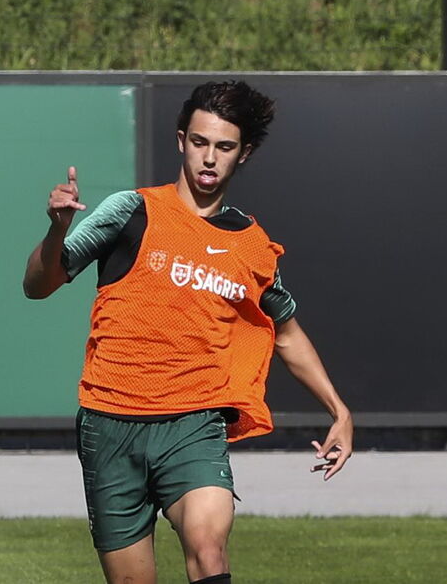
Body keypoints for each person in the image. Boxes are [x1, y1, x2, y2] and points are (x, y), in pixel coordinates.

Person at [23, 80, 353, 584]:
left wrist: (339, 409)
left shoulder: (251, 244)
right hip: (111, 422)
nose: (208, 158)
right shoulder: (131, 210)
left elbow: (285, 333)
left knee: (207, 547)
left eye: (224, 147)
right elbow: (37, 285)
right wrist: (56, 229)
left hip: (193, 424)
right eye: (199, 142)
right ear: (181, 141)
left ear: (243, 154)